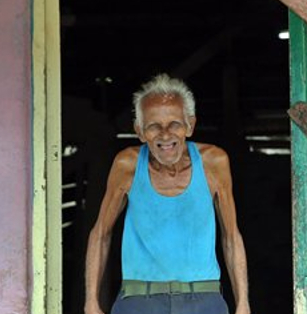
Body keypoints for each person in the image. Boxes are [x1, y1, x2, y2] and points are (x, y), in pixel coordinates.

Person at [85, 74, 250, 314]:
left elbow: (231, 236)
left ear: (190, 126)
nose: (165, 134)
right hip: (139, 300)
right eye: (153, 126)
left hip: (203, 300)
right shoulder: (127, 165)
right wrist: (91, 301)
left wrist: (243, 302)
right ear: (140, 131)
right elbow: (101, 233)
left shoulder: (214, 162)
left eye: (174, 124)